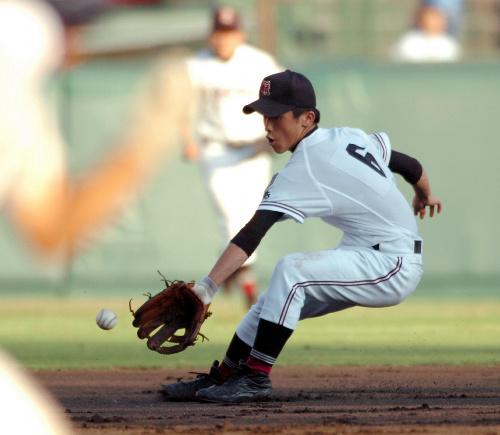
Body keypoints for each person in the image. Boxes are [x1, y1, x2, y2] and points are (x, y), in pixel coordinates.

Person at [162, 69, 442, 403]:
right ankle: (225, 376)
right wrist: (424, 194)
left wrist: (207, 287)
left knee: (291, 272)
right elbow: (409, 164)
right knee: (270, 301)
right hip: (368, 253)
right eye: (264, 115)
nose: (267, 126)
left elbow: (253, 232)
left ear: (306, 118)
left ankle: (255, 379)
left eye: (276, 116)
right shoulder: (347, 136)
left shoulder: (305, 165)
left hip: (392, 264)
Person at [0, 0, 191, 261]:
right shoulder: (12, 73)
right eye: (81, 25)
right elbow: (51, 227)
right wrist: (152, 136)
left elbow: (51, 229)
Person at [180, 6, 281, 307]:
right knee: (230, 216)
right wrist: (187, 140)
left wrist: (274, 139)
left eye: (229, 32)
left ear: (241, 34)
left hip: (253, 149)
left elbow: (281, 102)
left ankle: (229, 268)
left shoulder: (259, 62)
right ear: (210, 35)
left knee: (251, 217)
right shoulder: (196, 65)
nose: (223, 39)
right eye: (218, 33)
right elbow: (180, 107)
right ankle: (246, 280)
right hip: (216, 148)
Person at [391, 4, 461, 62]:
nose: (434, 22)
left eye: (437, 19)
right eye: (431, 18)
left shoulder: (449, 44)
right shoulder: (409, 41)